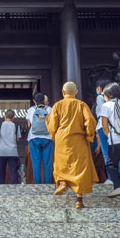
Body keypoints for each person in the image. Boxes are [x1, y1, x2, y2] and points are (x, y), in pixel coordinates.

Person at [46, 81, 98, 209]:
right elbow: (90, 121)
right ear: (76, 92)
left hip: (62, 139)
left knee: (62, 164)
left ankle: (63, 183)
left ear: (63, 92)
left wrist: (54, 135)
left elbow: (52, 125)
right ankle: (79, 200)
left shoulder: (57, 105)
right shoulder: (82, 105)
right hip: (78, 139)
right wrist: (89, 135)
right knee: (79, 168)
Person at [26, 93, 54, 184]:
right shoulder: (49, 109)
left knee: (36, 163)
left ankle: (38, 184)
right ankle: (47, 184)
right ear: (44, 100)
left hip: (34, 137)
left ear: (34, 101)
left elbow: (29, 124)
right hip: (47, 138)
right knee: (47, 163)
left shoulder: (31, 110)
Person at [0, 109, 21, 184]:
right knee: (13, 170)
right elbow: (18, 139)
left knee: (0, 170)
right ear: (13, 117)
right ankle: (14, 185)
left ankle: (0, 185)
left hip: (1, 151)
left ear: (4, 116)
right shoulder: (16, 126)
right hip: (12, 151)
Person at [93, 79, 112, 184]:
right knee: (115, 152)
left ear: (100, 88)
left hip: (103, 126)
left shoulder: (100, 97)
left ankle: (110, 178)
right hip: (113, 127)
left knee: (106, 154)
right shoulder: (114, 99)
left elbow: (102, 112)